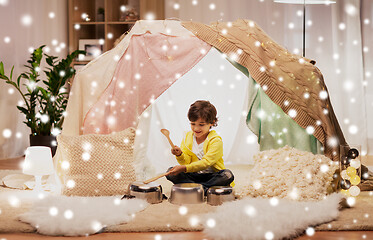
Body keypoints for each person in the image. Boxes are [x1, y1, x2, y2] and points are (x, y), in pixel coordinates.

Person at [165, 100, 234, 194]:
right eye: (193, 124)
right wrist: (180, 154)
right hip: (193, 175)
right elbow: (186, 162)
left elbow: (206, 163)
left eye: (201, 125)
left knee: (227, 175)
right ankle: (203, 189)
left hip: (211, 176)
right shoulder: (187, 138)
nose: (196, 128)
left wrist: (184, 168)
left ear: (212, 123)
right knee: (171, 172)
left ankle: (194, 188)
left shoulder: (216, 141)